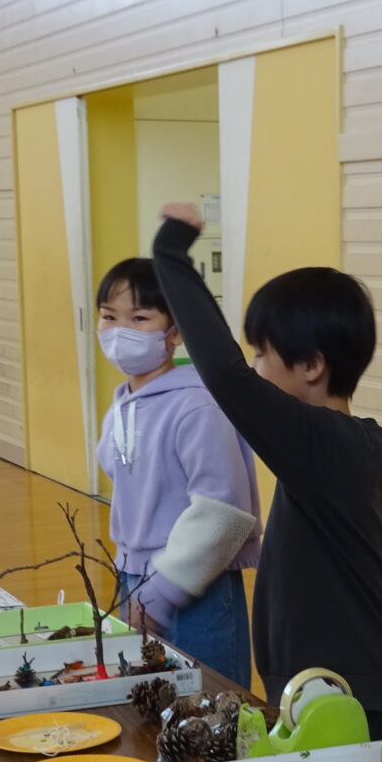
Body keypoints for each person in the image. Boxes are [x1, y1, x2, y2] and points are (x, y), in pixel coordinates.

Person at [150, 203, 382, 745]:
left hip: (346, 694)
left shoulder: (323, 443)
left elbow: (226, 378)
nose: (252, 368)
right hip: (334, 687)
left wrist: (170, 254)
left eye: (261, 354)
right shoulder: (348, 450)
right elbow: (379, 512)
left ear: (312, 366)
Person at [94, 257, 261, 683]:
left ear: (175, 333)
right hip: (133, 580)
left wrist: (162, 592)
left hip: (193, 590)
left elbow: (223, 515)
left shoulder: (196, 406)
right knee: (142, 710)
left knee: (209, 714)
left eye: (139, 317)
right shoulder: (123, 403)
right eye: (109, 317)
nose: (119, 331)